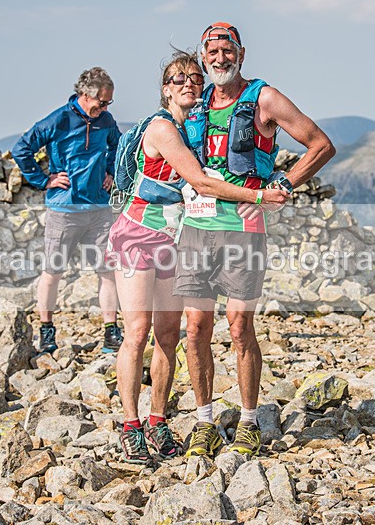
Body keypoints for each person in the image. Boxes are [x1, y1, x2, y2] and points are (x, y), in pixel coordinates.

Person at [108, 50, 288, 465]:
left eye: (194, 76)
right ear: (164, 90)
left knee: (169, 335)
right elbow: (202, 182)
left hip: (176, 241)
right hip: (139, 235)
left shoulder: (195, 127)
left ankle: (157, 420)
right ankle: (130, 426)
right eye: (177, 79)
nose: (188, 83)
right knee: (137, 333)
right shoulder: (162, 128)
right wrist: (260, 197)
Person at [177, 23, 336, 457]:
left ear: (241, 54)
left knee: (240, 326)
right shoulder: (197, 101)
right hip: (196, 228)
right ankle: (204, 422)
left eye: (227, 51)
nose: (219, 59)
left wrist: (281, 185)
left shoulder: (263, 97)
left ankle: (248, 420)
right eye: (212, 52)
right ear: (203, 56)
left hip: (244, 231)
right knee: (194, 330)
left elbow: (320, 145)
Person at [12, 67, 124, 354]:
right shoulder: (59, 120)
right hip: (64, 208)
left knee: (108, 271)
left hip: (98, 207)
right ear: (84, 95)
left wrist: (110, 171)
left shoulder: (106, 120)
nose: (105, 107)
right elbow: (21, 148)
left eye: (109, 102)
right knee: (53, 272)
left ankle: (111, 333)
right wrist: (44, 179)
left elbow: (119, 146)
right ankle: (47, 331)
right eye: (102, 101)